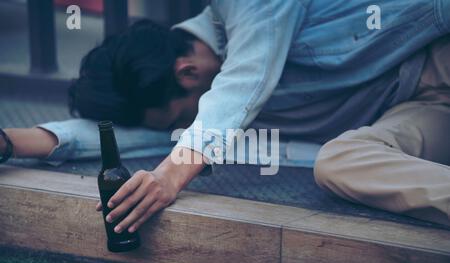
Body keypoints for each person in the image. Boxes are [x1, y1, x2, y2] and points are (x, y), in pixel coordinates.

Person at [0, 0, 449, 233]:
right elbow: (139, 135)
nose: (188, 130)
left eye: (184, 117)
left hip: (439, 55)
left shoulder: (246, 9)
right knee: (337, 163)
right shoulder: (198, 107)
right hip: (422, 110)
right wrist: (13, 141)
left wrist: (172, 175)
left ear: (188, 72)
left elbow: (243, 82)